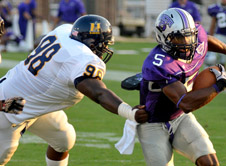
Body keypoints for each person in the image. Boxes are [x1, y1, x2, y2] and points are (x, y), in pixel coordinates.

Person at [0, 14, 148, 166]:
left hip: (27, 100)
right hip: (10, 108)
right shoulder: (81, 58)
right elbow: (99, 93)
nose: (106, 49)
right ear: (92, 43)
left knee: (64, 139)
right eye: (103, 45)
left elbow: (41, 40)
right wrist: (129, 112)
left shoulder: (65, 31)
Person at [120, 8, 226, 166]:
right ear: (162, 37)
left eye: (189, 36)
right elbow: (186, 103)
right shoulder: (159, 63)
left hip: (180, 118)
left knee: (210, 162)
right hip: (153, 123)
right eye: (178, 39)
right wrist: (218, 86)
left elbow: (206, 39)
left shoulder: (198, 39)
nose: (187, 43)